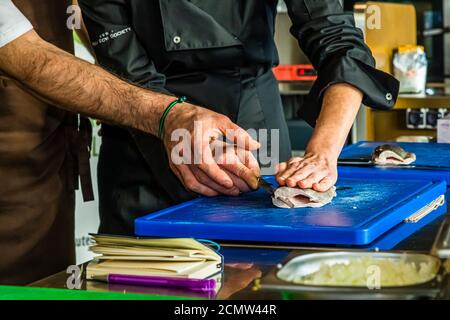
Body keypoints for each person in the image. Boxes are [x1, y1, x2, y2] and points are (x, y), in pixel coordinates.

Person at [78, 0, 399, 235]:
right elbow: (130, 74)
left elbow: (340, 44)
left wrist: (322, 154)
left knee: (258, 277)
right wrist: (171, 123)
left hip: (253, 130)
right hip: (144, 139)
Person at [0, 0, 257, 284]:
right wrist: (168, 115)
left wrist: (113, 41)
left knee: (46, 281)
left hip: (46, 159)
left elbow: (86, 17)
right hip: (8, 161)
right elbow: (27, 57)